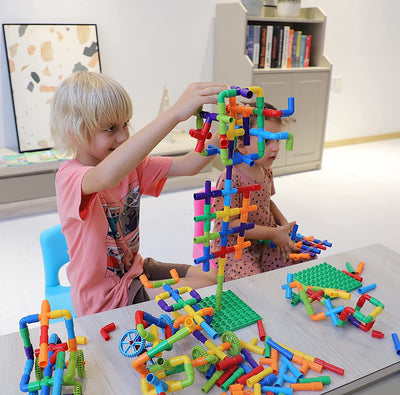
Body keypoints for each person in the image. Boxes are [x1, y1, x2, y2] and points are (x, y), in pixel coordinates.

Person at [50, 71, 226, 316]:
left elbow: (188, 165)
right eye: (110, 129)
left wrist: (221, 138)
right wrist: (174, 113)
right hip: (105, 300)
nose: (123, 136)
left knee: (214, 277)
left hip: (136, 271)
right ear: (74, 133)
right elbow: (106, 176)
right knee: (203, 294)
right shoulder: (70, 177)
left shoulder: (132, 167)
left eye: (125, 124)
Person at [210, 102, 301, 281]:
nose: (275, 148)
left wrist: (283, 226)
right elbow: (230, 225)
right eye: (266, 141)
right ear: (242, 146)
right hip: (235, 247)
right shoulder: (231, 178)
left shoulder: (266, 170)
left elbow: (268, 201)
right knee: (250, 284)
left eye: (277, 140)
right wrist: (274, 234)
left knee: (301, 261)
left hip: (265, 239)